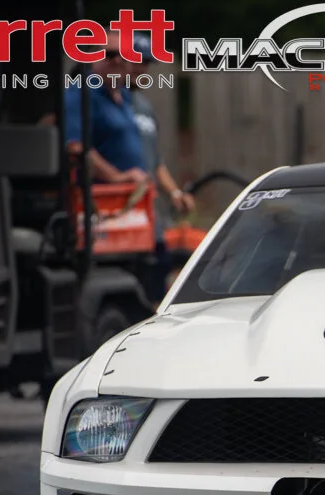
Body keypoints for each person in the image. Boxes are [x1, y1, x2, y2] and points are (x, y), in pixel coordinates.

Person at [125, 33, 194, 303]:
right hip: (122, 210)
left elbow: (156, 162)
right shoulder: (104, 104)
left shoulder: (144, 107)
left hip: (150, 213)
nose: (141, 68)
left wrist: (175, 193)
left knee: (158, 272)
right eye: (136, 61)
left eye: (145, 63)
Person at [62, 30, 149, 186]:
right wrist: (116, 177)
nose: (117, 60)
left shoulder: (124, 95)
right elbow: (75, 146)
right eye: (110, 54)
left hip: (130, 193)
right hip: (99, 194)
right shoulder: (81, 93)